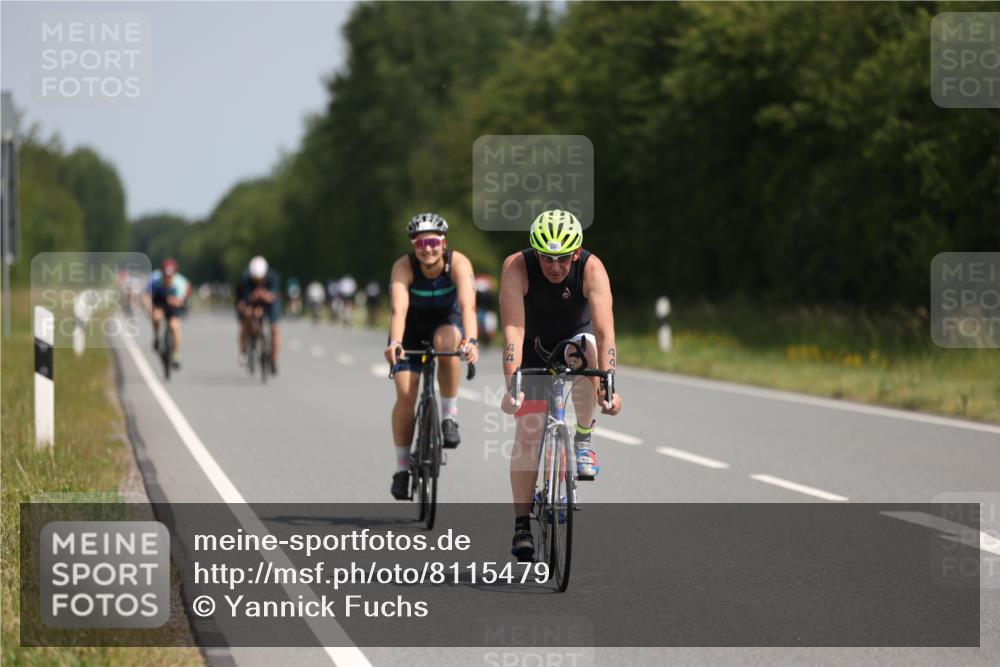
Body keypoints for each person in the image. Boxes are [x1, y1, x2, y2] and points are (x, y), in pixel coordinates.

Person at [498, 209, 622, 561]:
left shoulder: (592, 267)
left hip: (575, 339)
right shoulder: (516, 267)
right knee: (527, 433)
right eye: (547, 259)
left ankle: (583, 439)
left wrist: (608, 387)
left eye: (564, 258)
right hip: (533, 346)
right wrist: (513, 385)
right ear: (535, 253)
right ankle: (522, 525)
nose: (555, 267)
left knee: (584, 351)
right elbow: (513, 332)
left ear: (577, 253)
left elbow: (605, 331)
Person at [384, 213, 479, 500]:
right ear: (413, 245)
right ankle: (402, 469)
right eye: (420, 243)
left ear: (443, 242)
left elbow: (468, 307)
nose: (427, 248)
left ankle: (449, 417)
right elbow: (398, 311)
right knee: (405, 394)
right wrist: (396, 343)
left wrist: (472, 341)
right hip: (410, 327)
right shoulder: (404, 266)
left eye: (433, 241)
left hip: (447, 321)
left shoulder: (459, 263)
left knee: (448, 343)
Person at [235, 255, 282, 375]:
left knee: (275, 329)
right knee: (246, 319)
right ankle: (244, 349)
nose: (258, 281)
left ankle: (273, 359)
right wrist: (252, 303)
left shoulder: (273, 277)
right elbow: (245, 298)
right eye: (255, 279)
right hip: (251, 303)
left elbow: (274, 296)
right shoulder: (246, 279)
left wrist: (265, 296)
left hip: (270, 304)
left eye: (260, 279)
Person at [147, 258, 192, 369]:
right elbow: (148, 296)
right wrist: (150, 307)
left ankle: (176, 354)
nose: (168, 278)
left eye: (170, 275)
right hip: (160, 302)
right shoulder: (156, 280)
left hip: (175, 306)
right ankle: (157, 337)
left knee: (175, 326)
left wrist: (177, 301)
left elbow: (182, 299)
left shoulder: (180, 283)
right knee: (156, 317)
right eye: (166, 275)